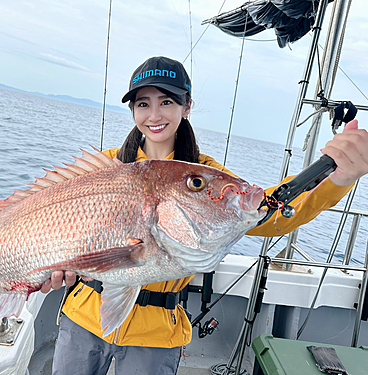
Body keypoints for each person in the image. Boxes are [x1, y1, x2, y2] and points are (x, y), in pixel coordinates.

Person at [42, 56, 368, 375]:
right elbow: (51, 226)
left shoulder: (205, 176)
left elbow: (269, 214)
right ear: (132, 110)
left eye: (166, 102)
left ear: (186, 107)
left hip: (156, 335)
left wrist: (336, 179)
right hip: (84, 316)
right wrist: (52, 267)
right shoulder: (107, 169)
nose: (154, 114)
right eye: (143, 104)